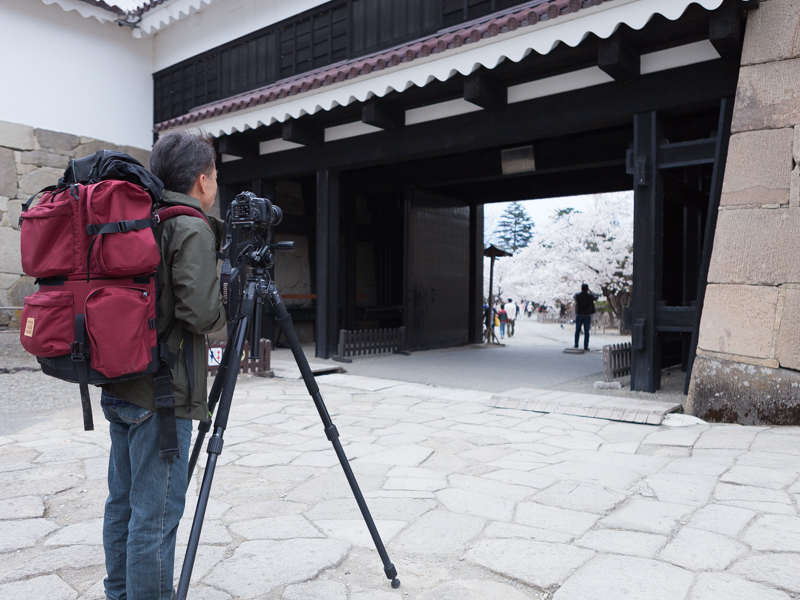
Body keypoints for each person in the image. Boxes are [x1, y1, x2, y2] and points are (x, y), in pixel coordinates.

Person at [100, 130, 227, 600]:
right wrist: (226, 304)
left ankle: (119, 594)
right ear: (202, 180)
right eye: (215, 176)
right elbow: (201, 314)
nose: (216, 184)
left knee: (123, 505)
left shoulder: (140, 218)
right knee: (154, 517)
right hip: (162, 394)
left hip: (119, 381)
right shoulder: (189, 226)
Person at [574, 283, 597, 351]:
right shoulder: (590, 296)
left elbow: (574, 296)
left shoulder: (577, 295)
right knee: (586, 331)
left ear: (581, 288)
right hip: (587, 314)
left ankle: (576, 344)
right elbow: (596, 297)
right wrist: (590, 291)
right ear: (587, 289)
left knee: (577, 330)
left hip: (579, 314)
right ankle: (586, 346)